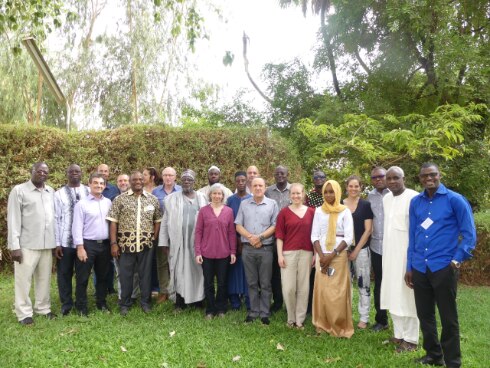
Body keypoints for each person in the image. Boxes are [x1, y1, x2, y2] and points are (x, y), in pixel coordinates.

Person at [405, 163, 476, 367]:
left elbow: (469, 234)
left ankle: (452, 360)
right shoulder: (416, 202)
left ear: (440, 175)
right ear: (419, 178)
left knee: (448, 317)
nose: (429, 178)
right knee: (424, 314)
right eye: (425, 175)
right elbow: (413, 236)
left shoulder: (455, 200)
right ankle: (433, 355)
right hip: (420, 267)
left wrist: (457, 259)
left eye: (433, 174)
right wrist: (410, 266)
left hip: (444, 267)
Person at [7, 162, 57, 325]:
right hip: (26, 245)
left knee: (44, 279)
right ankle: (23, 313)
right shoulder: (19, 190)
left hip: (46, 244)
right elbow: (14, 219)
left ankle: (43, 308)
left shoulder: (51, 191)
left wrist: (56, 243)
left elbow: (53, 218)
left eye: (45, 171)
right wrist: (15, 246)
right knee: (23, 280)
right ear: (32, 171)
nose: (42, 173)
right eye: (39, 171)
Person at [107, 171, 162, 315]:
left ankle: (145, 302)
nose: (138, 181)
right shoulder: (119, 199)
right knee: (126, 276)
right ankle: (125, 303)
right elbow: (113, 223)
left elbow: (157, 221)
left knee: (146, 275)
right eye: (134, 179)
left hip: (146, 245)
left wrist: (153, 239)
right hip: (125, 245)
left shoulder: (153, 200)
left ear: (144, 181)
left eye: (140, 179)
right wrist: (114, 243)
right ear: (130, 182)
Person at [380, 166, 419, 352]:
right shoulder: (386, 198)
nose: (392, 181)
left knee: (407, 296)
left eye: (396, 178)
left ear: (404, 178)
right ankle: (399, 334)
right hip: (389, 256)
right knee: (392, 294)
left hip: (406, 257)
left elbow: (417, 231)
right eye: (389, 178)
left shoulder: (414, 197)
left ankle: (411, 339)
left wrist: (412, 263)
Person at [158, 169, 207, 310]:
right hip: (177, 242)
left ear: (194, 182)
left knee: (198, 272)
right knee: (178, 271)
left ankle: (198, 301)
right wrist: (163, 242)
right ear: (180, 181)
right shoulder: (171, 199)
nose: (186, 182)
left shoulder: (202, 198)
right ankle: (180, 301)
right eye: (184, 179)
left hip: (196, 243)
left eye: (189, 180)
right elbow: (165, 221)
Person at [311, 180, 354, 337]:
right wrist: (322, 256)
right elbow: (314, 235)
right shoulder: (318, 211)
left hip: (338, 256)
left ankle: (339, 326)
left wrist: (332, 254)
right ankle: (323, 324)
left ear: (337, 192)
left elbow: (348, 238)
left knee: (337, 292)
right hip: (322, 256)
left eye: (332, 191)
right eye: (326, 192)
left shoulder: (345, 211)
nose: (329, 195)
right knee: (323, 291)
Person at [235, 177, 279, 325]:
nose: (258, 188)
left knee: (266, 283)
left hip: (265, 249)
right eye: (255, 185)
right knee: (252, 282)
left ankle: (265, 313)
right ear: (251, 188)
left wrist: (259, 238)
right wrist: (250, 237)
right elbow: (238, 225)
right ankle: (254, 311)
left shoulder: (272, 204)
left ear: (265, 187)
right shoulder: (244, 204)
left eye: (261, 185)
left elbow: (275, 226)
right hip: (248, 249)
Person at [72, 173, 112, 316]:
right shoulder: (81, 204)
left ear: (105, 186)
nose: (98, 185)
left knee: (102, 276)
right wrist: (80, 247)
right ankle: (81, 306)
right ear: (89, 184)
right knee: (83, 277)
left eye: (101, 183)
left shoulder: (108, 202)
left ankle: (101, 303)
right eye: (95, 183)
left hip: (105, 245)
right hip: (88, 245)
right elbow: (76, 227)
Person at [195, 184, 237, 319]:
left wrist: (233, 252)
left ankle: (221, 308)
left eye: (219, 194)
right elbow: (198, 232)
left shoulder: (229, 211)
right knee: (208, 283)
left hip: (224, 253)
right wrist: (198, 252)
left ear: (223, 196)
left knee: (222, 282)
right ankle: (210, 309)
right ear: (210, 195)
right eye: (214, 193)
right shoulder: (203, 211)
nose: (217, 196)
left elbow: (231, 233)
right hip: (206, 253)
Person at [276, 183, 314, 329]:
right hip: (288, 253)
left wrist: (315, 254)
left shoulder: (312, 212)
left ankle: (300, 319)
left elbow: (316, 235)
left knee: (304, 287)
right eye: (293, 193)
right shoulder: (284, 213)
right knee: (289, 288)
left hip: (307, 253)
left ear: (303, 194)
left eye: (299, 193)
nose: (296, 196)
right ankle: (290, 318)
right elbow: (279, 236)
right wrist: (280, 255)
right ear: (289, 195)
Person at [54, 164, 89, 316]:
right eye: (71, 171)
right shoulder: (58, 194)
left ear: (81, 173)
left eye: (77, 171)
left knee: (82, 274)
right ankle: (66, 305)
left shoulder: (88, 191)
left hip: (84, 242)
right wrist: (56, 243)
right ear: (66, 174)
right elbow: (55, 218)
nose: (74, 173)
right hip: (65, 242)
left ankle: (81, 304)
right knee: (64, 274)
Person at [343, 175, 373, 329]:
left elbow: (368, 230)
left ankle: (364, 317)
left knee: (363, 283)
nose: (353, 189)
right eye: (351, 186)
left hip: (361, 250)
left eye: (356, 186)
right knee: (344, 284)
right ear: (346, 187)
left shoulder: (365, 205)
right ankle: (346, 314)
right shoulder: (340, 204)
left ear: (361, 187)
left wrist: (356, 250)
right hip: (342, 250)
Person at [152, 167, 182, 304]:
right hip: (161, 231)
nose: (168, 178)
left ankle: (178, 290)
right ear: (162, 177)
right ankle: (164, 291)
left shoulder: (181, 190)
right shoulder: (155, 191)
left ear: (175, 177)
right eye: (165, 175)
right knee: (162, 262)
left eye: (171, 175)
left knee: (178, 262)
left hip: (178, 231)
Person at [265, 165, 291, 312]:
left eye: (283, 173)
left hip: (291, 237)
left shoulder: (294, 190)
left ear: (288, 174)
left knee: (290, 271)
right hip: (273, 237)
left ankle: (290, 303)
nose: (280, 175)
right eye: (277, 173)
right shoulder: (268, 191)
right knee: (274, 273)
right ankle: (277, 301)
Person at [367, 166, 390, 332]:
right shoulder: (370, 197)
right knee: (380, 283)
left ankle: (400, 319)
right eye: (374, 178)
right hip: (377, 247)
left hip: (395, 246)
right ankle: (381, 320)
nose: (378, 179)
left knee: (397, 283)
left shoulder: (396, 193)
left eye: (381, 176)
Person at [226, 171, 251, 310]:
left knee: (247, 272)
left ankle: (248, 300)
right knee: (234, 271)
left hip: (248, 240)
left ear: (247, 182)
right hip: (233, 241)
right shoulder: (230, 200)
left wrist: (245, 238)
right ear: (235, 182)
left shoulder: (251, 198)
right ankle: (235, 301)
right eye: (238, 181)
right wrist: (235, 240)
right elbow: (228, 221)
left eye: (243, 180)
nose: (241, 183)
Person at [97, 163, 119, 294]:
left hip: (110, 228)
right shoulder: (92, 187)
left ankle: (110, 287)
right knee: (98, 264)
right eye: (101, 171)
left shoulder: (113, 189)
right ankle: (99, 289)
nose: (104, 173)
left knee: (110, 261)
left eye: (106, 171)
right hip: (97, 229)